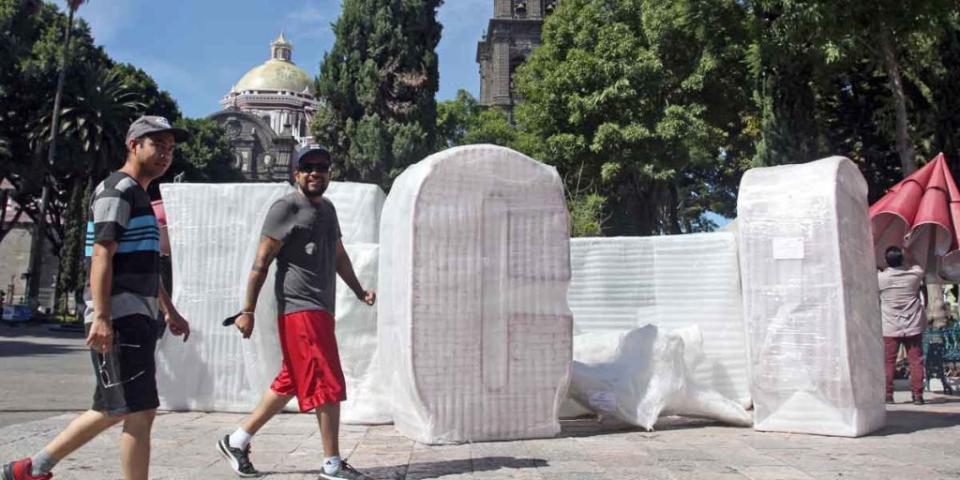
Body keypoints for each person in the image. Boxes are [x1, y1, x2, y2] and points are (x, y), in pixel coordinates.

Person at [1, 116, 192, 480]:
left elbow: (144, 264)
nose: (166, 154)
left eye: (170, 148)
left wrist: (169, 310)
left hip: (136, 314)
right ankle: (32, 467)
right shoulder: (117, 190)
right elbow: (103, 253)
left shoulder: (139, 195)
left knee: (124, 408)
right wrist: (102, 316)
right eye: (158, 145)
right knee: (129, 409)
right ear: (134, 145)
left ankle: (32, 468)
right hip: (119, 315)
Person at [217, 144, 376, 480]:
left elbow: (338, 255)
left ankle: (237, 440)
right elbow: (261, 264)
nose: (316, 172)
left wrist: (359, 291)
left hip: (320, 309)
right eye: (308, 167)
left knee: (290, 380)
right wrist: (247, 310)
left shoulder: (328, 210)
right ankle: (331, 463)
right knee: (328, 382)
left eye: (322, 166)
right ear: (296, 174)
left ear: (329, 173)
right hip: (299, 309)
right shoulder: (285, 207)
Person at [878, 246, 926, 405]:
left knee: (888, 362)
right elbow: (918, 265)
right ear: (902, 259)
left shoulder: (881, 278)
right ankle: (918, 395)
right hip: (913, 325)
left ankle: (888, 394)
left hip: (890, 326)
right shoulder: (914, 276)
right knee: (916, 361)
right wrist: (909, 252)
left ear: (887, 261)